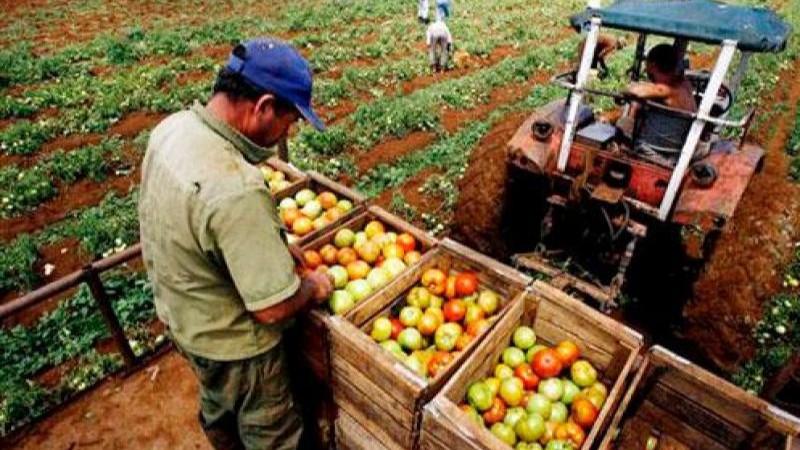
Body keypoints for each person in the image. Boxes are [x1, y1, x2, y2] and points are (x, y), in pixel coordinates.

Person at [138, 38, 333, 450]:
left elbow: (195, 228)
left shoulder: (172, 129)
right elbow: (272, 307)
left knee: (219, 410)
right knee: (272, 433)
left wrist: (270, 247)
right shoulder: (235, 188)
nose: (288, 130)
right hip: (238, 350)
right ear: (263, 106)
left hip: (187, 319)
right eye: (290, 119)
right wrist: (314, 286)